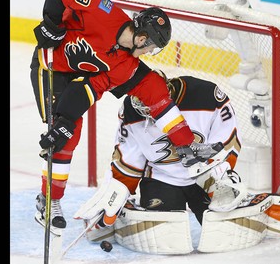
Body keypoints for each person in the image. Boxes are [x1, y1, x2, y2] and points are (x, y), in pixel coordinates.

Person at [31, 0, 223, 235]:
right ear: (142, 38)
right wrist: (52, 22)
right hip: (51, 67)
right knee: (63, 138)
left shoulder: (124, 65)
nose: (150, 52)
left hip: (79, 76)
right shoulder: (103, 11)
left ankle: (186, 143)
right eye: (151, 47)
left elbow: (93, 89)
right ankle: (48, 202)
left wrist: (185, 142)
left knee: (69, 130)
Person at [74, 70, 244, 242]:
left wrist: (218, 168)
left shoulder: (203, 93)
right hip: (161, 179)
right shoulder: (130, 110)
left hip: (205, 176)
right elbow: (129, 157)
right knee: (164, 238)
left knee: (224, 234)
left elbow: (228, 134)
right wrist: (116, 193)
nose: (147, 111)